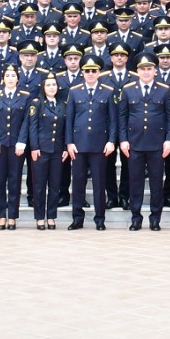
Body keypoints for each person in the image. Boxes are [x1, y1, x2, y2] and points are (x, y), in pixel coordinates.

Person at [119, 53, 170, 230]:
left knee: (157, 183)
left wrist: (169, 140)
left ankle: (155, 218)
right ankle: (136, 217)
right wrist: (123, 140)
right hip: (134, 143)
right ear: (137, 71)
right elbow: (122, 117)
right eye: (143, 69)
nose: (146, 72)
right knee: (135, 182)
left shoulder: (164, 90)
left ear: (155, 71)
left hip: (157, 144)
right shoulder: (128, 90)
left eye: (149, 69)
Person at [64, 55, 118, 230]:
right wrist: (69, 143)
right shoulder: (74, 91)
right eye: (87, 71)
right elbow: (69, 119)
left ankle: (99, 218)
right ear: (82, 72)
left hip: (99, 145)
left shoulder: (108, 91)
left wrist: (111, 141)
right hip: (78, 144)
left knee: (99, 183)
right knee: (78, 181)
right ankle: (77, 218)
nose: (90, 74)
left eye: (94, 71)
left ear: (99, 72)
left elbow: (112, 120)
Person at [0, 64, 30, 229]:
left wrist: (22, 141)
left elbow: (26, 121)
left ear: (17, 79)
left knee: (15, 181)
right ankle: (1, 215)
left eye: (13, 76)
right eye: (8, 76)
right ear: (3, 78)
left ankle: (12, 216)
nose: (10, 78)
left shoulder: (24, 97)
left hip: (16, 146)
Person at [24, 74, 66, 229]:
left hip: (57, 150)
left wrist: (64, 148)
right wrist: (34, 148)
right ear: (43, 87)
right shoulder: (36, 104)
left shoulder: (62, 104)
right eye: (48, 85)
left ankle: (52, 216)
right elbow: (32, 127)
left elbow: (65, 129)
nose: (51, 88)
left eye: (54, 85)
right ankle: (40, 217)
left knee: (55, 185)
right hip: (40, 150)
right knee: (39, 185)